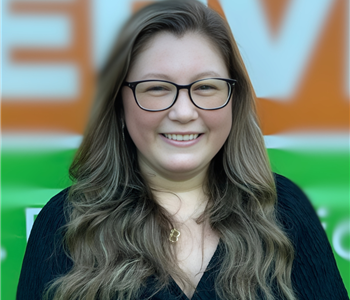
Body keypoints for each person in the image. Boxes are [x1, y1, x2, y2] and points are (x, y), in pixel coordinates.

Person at [17, 1, 348, 299]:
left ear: (233, 99)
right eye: (158, 88)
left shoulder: (285, 213)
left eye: (205, 87)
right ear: (120, 103)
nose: (184, 112)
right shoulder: (65, 222)